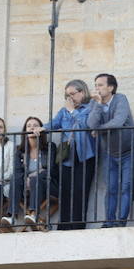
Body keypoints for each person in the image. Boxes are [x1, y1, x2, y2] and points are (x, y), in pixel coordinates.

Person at [86, 72, 134, 228]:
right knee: (111, 188)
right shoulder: (95, 103)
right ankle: (109, 221)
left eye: (100, 85)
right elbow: (91, 124)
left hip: (130, 151)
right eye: (95, 85)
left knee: (126, 187)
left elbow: (118, 121)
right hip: (110, 153)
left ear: (111, 87)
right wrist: (96, 105)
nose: (97, 89)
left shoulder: (120, 99)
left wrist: (99, 129)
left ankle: (121, 222)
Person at [48, 79, 97, 231]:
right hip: (67, 157)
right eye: (67, 95)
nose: (69, 98)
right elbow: (54, 123)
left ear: (82, 92)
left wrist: (71, 111)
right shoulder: (64, 111)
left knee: (80, 192)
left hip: (85, 156)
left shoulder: (91, 107)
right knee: (66, 191)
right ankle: (64, 226)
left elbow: (86, 125)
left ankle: (77, 225)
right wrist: (40, 128)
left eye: (72, 94)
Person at [14, 116, 54, 230]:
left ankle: (33, 214)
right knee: (14, 178)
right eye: (29, 126)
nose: (32, 128)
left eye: (35, 126)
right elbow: (17, 171)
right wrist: (26, 179)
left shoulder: (49, 147)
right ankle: (11, 215)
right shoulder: (19, 150)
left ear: (41, 130)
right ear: (25, 131)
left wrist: (31, 177)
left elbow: (49, 169)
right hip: (25, 186)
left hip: (47, 184)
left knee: (36, 179)